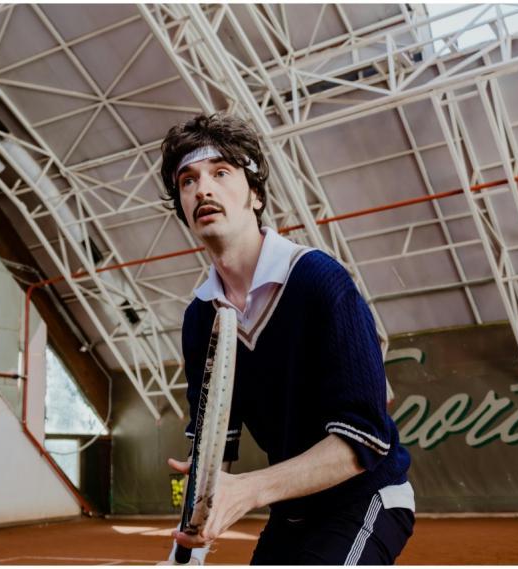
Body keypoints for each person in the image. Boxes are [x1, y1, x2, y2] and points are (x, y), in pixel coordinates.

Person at [160, 113, 414, 565]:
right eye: (188, 181)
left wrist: (250, 490)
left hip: (368, 498)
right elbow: (213, 450)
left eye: (221, 173)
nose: (203, 190)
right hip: (291, 515)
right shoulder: (201, 318)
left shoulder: (318, 279)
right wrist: (186, 558)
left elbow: (365, 441)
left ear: (255, 194)